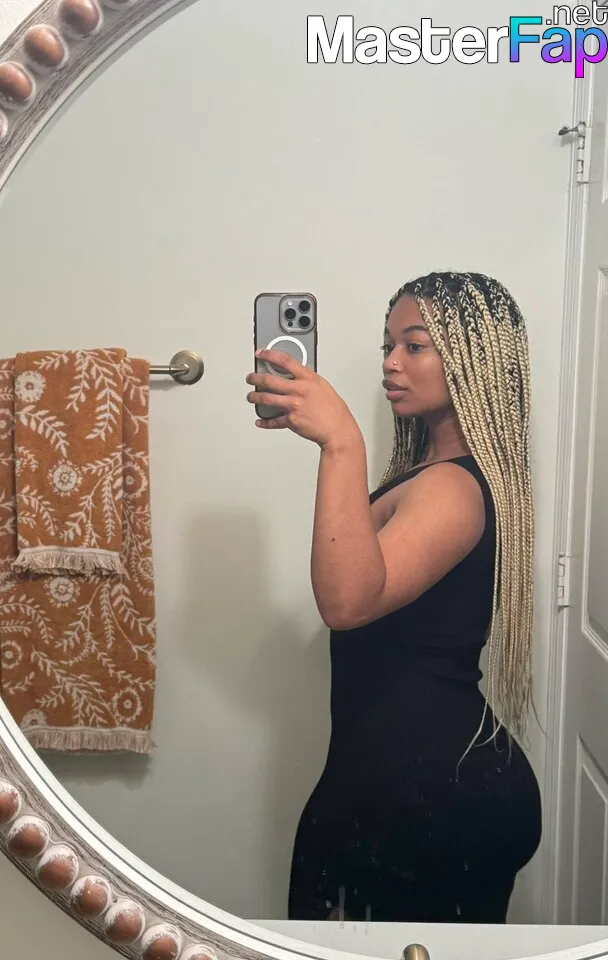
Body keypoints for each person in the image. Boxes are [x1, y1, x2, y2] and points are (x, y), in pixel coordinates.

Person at [245, 271, 542, 924]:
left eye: (414, 345)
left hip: (436, 798)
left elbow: (347, 603)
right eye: (387, 345)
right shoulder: (433, 476)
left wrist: (341, 442)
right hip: (404, 785)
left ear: (470, 359)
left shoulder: (453, 489)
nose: (390, 362)